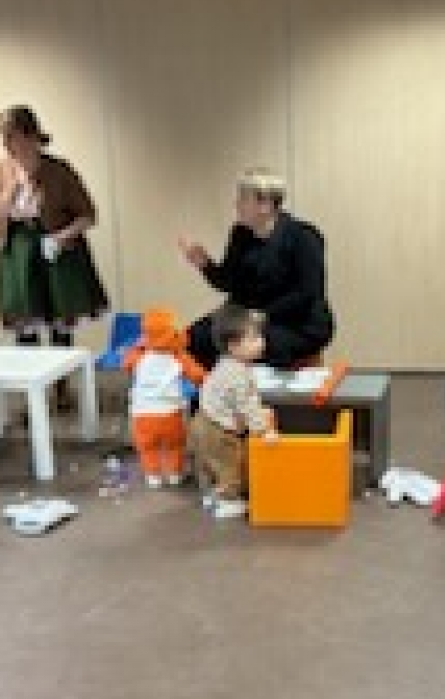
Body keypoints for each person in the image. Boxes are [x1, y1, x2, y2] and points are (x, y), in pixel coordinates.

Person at [0, 105, 108, 401]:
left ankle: (62, 389)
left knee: (59, 321)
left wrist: (60, 237)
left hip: (55, 250)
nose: (5, 143)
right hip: (16, 251)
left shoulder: (58, 171)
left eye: (10, 136)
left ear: (30, 135)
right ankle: (33, 393)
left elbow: (88, 215)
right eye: (3, 137)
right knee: (24, 321)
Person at [178, 168, 334, 370]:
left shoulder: (304, 237)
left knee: (247, 346)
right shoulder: (240, 234)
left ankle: (255, 388)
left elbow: (308, 294)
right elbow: (229, 283)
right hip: (249, 318)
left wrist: (259, 316)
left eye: (243, 198)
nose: (236, 204)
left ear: (265, 204)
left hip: (297, 322)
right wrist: (205, 264)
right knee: (193, 338)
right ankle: (210, 389)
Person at [187, 303, 275, 520]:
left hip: (202, 419)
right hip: (217, 429)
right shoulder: (238, 375)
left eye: (260, 336)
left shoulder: (226, 363)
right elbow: (247, 406)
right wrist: (264, 430)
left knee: (210, 462)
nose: (261, 342)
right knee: (229, 464)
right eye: (253, 338)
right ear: (234, 346)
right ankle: (228, 501)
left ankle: (212, 494)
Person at [122, 308, 206, 489]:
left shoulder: (138, 356)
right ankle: (174, 474)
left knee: (147, 448)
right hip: (171, 414)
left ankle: (153, 476)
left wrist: (138, 346)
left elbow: (127, 365)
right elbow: (198, 376)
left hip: (142, 413)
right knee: (175, 446)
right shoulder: (179, 356)